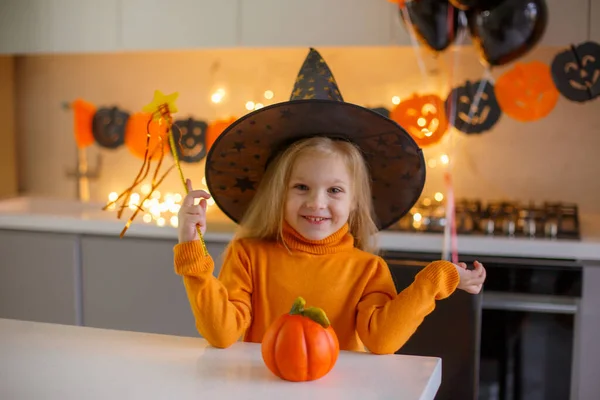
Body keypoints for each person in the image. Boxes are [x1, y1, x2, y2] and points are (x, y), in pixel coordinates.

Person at [173, 48, 486, 355]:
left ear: (354, 201)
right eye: (301, 187)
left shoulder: (367, 269)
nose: (316, 202)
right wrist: (193, 256)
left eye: (334, 190)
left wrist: (434, 279)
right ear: (278, 193)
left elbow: (383, 341)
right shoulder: (247, 257)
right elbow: (222, 334)